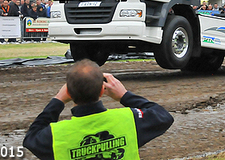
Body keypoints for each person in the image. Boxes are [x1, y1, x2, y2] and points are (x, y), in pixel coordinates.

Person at [23, 59, 173, 160]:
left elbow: (31, 138)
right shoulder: (128, 121)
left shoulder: (56, 135)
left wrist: (58, 100)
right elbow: (163, 116)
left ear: (69, 92)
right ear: (102, 91)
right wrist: (124, 95)